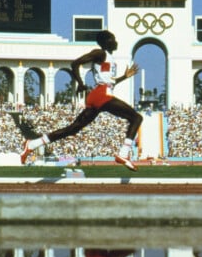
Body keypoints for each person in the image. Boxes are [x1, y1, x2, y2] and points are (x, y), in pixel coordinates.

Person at [20, 30, 142, 171]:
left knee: (73, 129)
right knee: (136, 117)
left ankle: (32, 144)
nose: (116, 42)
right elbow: (75, 64)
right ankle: (123, 154)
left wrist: (124, 77)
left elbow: (108, 81)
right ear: (106, 42)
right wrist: (80, 83)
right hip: (102, 95)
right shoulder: (99, 53)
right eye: (113, 39)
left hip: (100, 95)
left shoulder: (108, 57)